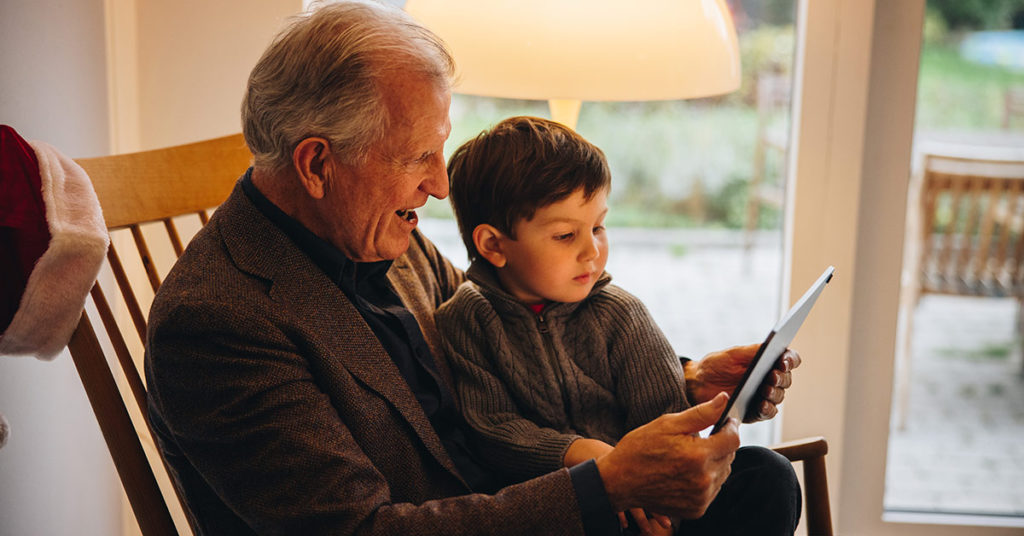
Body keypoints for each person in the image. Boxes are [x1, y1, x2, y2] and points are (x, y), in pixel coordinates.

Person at [144, 2, 802, 535]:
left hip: (516, 497)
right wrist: (603, 488)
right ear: (317, 165)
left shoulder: (376, 235)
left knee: (759, 479)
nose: (439, 184)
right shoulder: (217, 324)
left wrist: (685, 382)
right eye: (419, 155)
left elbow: (510, 349)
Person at [435, 116, 797, 536]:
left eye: (598, 226)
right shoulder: (466, 319)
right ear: (494, 245)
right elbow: (492, 429)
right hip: (562, 510)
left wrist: (660, 498)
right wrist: (586, 456)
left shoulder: (620, 313)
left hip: (656, 506)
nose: (592, 250)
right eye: (566, 236)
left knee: (769, 474)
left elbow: (665, 413)